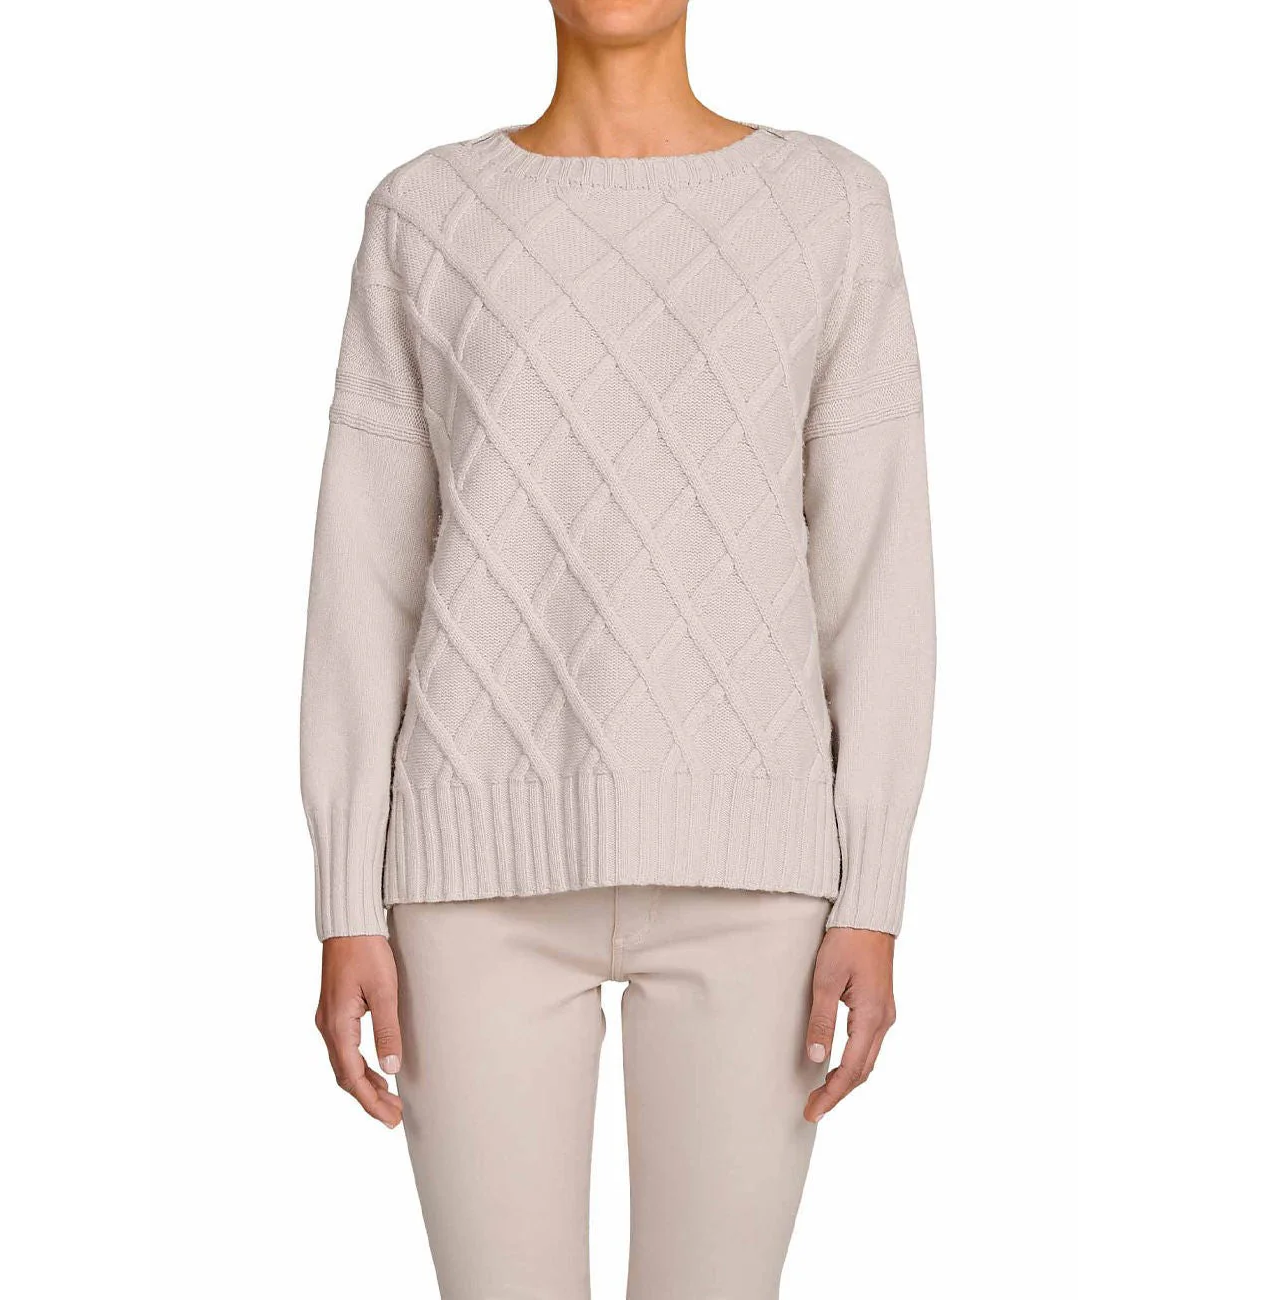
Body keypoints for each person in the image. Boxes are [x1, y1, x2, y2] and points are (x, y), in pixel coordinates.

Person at [299, 1, 935, 1294]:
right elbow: (363, 577)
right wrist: (344, 902)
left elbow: (878, 567)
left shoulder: (829, 207)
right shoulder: (424, 216)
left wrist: (872, 892)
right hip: (472, 875)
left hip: (752, 876)